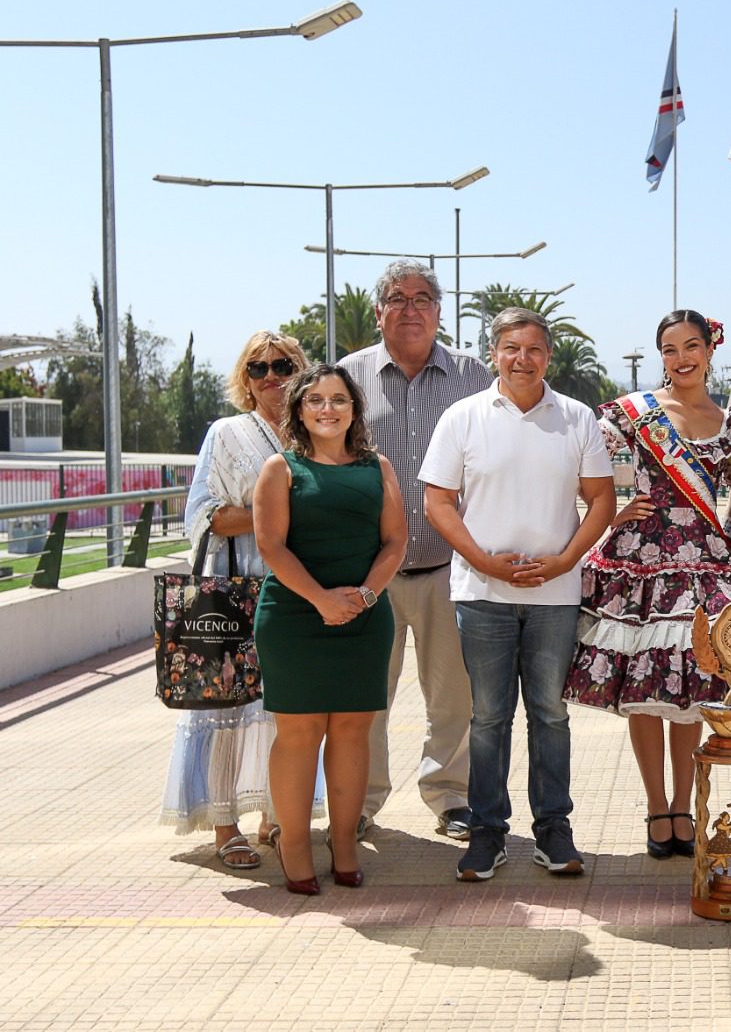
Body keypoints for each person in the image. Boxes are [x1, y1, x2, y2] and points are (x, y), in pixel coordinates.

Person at [564, 310, 731, 858]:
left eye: (691, 346)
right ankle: (656, 809)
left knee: (692, 687)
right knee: (647, 691)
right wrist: (612, 511)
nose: (681, 359)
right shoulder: (634, 412)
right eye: (669, 350)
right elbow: (580, 460)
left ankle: (686, 806)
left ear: (710, 350)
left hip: (706, 556)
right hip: (642, 559)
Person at [420, 308, 616, 881]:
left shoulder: (577, 419)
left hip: (556, 595)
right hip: (481, 593)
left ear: (548, 357)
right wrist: (482, 561)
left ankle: (553, 829)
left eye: (533, 349)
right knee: (488, 718)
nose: (522, 359)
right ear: (493, 354)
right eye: (511, 348)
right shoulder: (462, 418)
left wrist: (564, 559)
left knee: (550, 714)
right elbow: (437, 501)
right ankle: (487, 833)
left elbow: (600, 500)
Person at [341, 259, 491, 842]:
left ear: (439, 311)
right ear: (378, 312)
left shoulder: (475, 378)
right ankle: (361, 800)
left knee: (453, 699)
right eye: (397, 299)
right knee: (365, 699)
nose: (410, 308)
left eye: (422, 298)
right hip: (366, 572)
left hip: (447, 570)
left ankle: (451, 798)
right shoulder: (345, 380)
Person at [161, 331, 314, 868]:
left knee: (286, 711)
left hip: (296, 593)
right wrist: (275, 516)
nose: (272, 376)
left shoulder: (313, 436)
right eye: (258, 368)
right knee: (224, 707)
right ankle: (226, 826)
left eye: (283, 365)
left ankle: (278, 815)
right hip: (233, 592)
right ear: (245, 381)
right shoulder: (226, 434)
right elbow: (201, 516)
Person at [253, 365, 406, 894]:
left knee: (351, 730)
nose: (327, 408)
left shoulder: (377, 467)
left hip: (364, 617)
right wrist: (320, 600)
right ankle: (292, 843)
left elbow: (395, 543)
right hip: (295, 619)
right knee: (298, 735)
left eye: (338, 399)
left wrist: (363, 596)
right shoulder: (281, 468)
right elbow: (271, 546)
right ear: (298, 410)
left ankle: (343, 841)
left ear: (354, 410)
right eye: (315, 400)